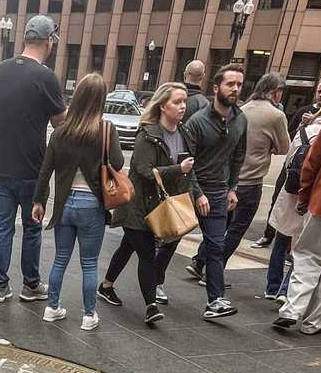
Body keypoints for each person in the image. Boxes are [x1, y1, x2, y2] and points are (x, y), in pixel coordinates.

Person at [98, 83, 200, 325]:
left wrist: (197, 193)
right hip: (137, 205)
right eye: (177, 102)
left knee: (127, 247)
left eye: (184, 101)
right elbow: (143, 171)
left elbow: (190, 169)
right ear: (163, 105)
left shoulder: (184, 133)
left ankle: (106, 285)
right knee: (147, 255)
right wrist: (178, 169)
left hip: (160, 205)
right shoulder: (148, 134)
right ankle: (151, 305)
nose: (183, 106)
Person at [0, 14, 66, 304]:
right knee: (32, 227)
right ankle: (30, 284)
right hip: (32, 167)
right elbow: (61, 125)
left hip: (0, 164)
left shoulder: (0, 71)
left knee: (3, 224)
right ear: (48, 42)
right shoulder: (46, 77)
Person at [31, 72, 124, 331]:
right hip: (92, 206)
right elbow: (117, 163)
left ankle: (51, 308)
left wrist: (39, 201)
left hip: (65, 206)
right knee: (89, 263)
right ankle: (89, 315)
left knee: (60, 258)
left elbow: (45, 170)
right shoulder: (105, 130)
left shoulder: (61, 132)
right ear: (101, 99)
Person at [188, 72, 289, 281]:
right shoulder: (275, 115)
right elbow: (284, 148)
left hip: (226, 179)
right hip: (249, 180)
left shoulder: (241, 111)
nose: (235, 89)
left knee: (218, 227)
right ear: (275, 92)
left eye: (239, 85)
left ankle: (200, 261)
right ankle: (215, 272)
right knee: (235, 229)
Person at [182, 66, 247, 319]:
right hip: (193, 190)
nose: (235, 89)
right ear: (216, 87)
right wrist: (197, 193)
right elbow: (188, 161)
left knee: (216, 246)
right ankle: (154, 284)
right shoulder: (197, 121)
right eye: (230, 84)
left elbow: (238, 157)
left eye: (239, 85)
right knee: (171, 240)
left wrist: (232, 188)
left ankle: (215, 300)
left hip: (219, 193)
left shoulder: (240, 119)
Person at [260, 102, 321, 301]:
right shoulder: (320, 130)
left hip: (292, 191)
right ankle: (286, 291)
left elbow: (289, 159)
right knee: (304, 248)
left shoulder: (307, 129)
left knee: (282, 238)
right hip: (314, 197)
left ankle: (272, 287)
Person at [254, 73, 321, 246]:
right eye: (320, 90)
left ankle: (286, 245)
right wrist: (303, 125)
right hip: (293, 169)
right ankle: (269, 234)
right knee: (280, 208)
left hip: (311, 179)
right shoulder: (304, 111)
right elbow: (289, 138)